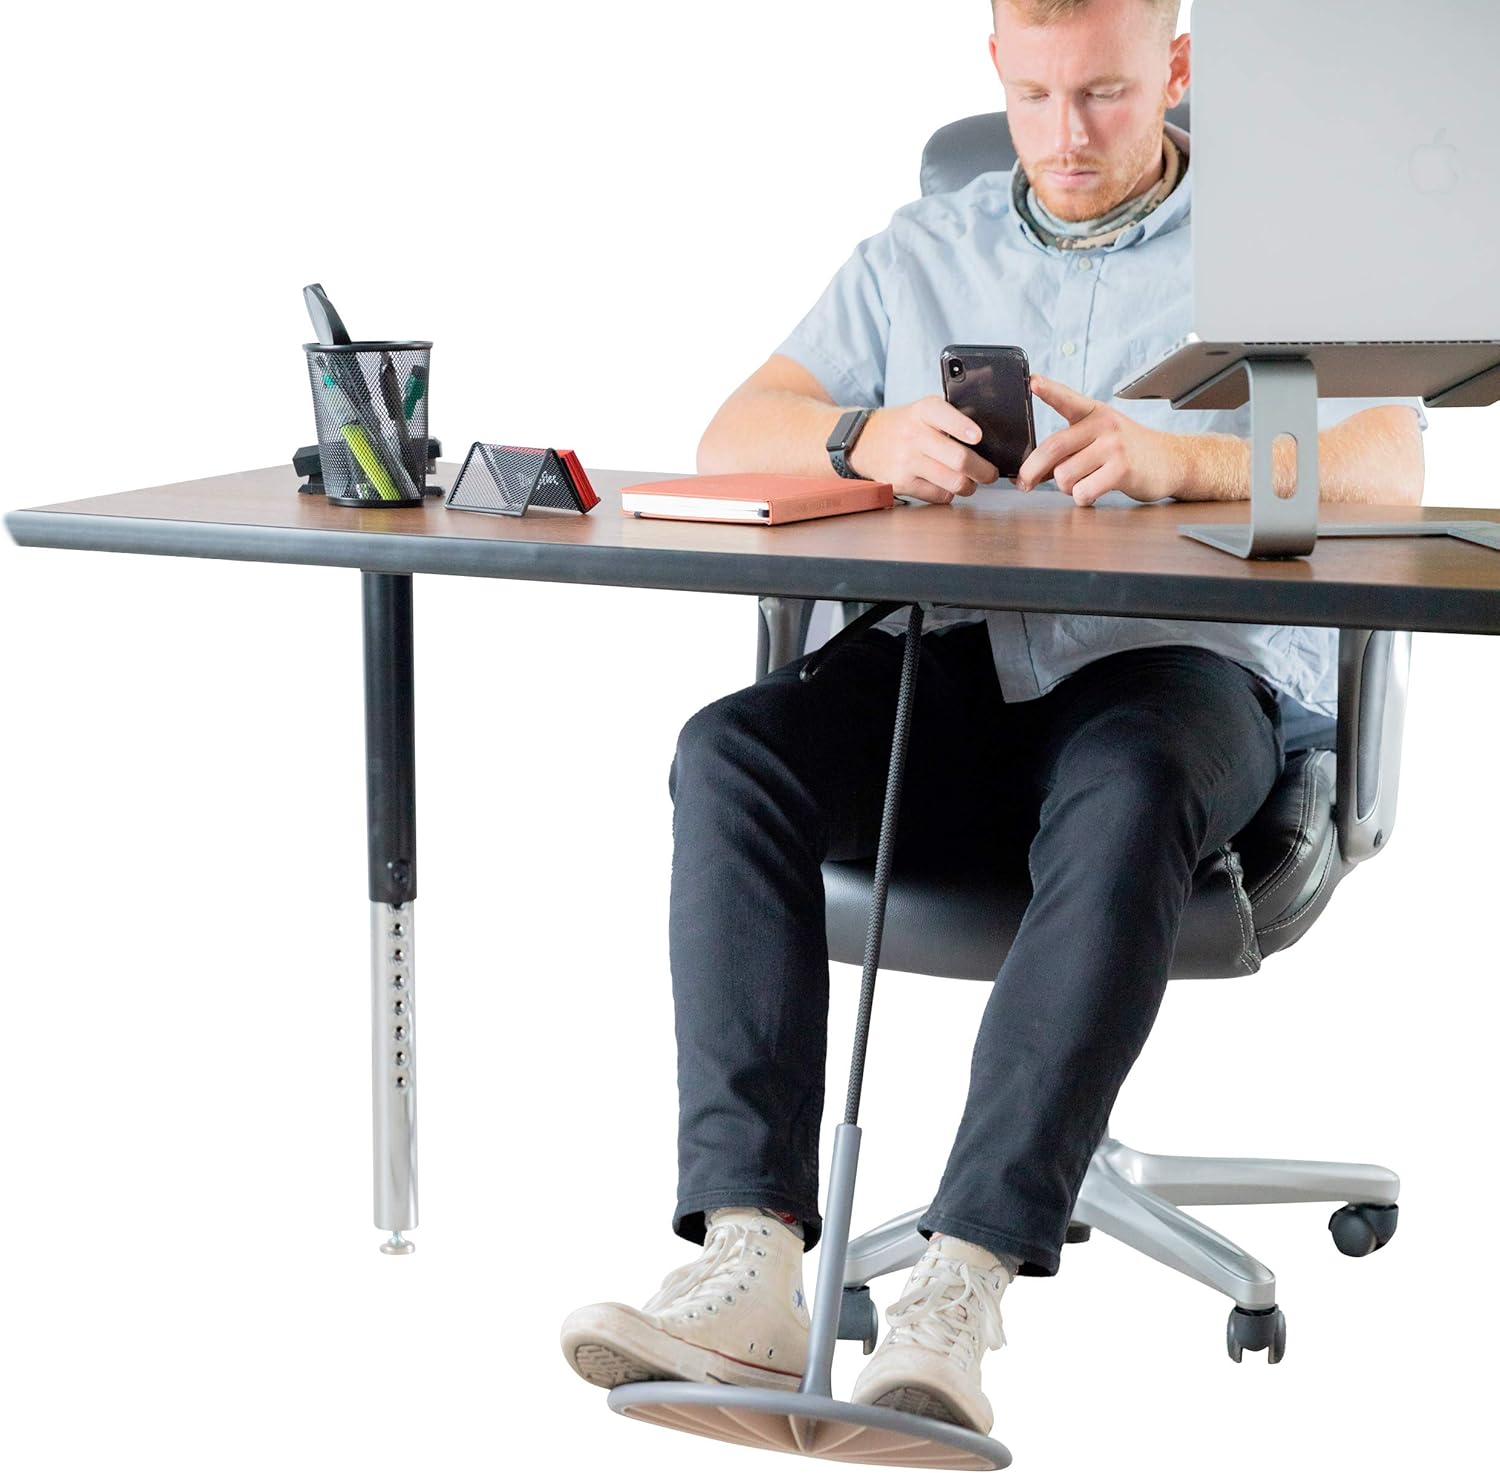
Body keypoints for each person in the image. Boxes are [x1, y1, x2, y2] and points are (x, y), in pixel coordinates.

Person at [561, 0, 1426, 1436]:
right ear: (996, 77)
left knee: (1134, 771)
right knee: (733, 751)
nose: (1066, 135)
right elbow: (734, 431)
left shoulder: (1278, 251)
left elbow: (1390, 461)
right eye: (1035, 95)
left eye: (1103, 93)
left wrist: (1177, 457)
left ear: (1178, 71)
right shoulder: (923, 251)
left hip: (1181, 672)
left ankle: (959, 1283)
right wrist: (864, 433)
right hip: (959, 676)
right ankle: (754, 1266)